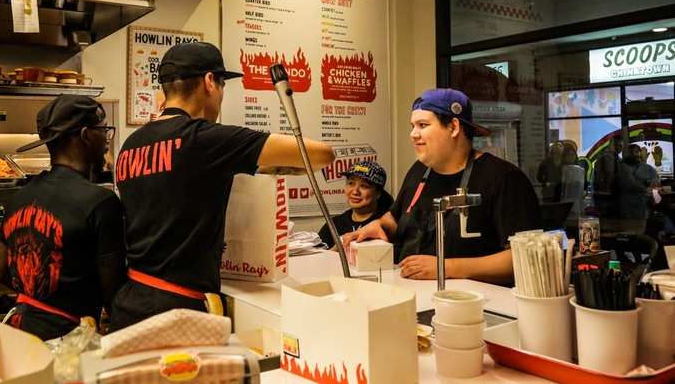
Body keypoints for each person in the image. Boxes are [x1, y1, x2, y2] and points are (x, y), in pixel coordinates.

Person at [111, 42, 334, 329]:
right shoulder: (204, 139)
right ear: (209, 82)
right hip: (176, 311)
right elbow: (321, 154)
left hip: (130, 302)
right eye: (222, 86)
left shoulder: (131, 145)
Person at [343, 89, 540, 285]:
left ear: (453, 127)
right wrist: (379, 225)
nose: (413, 134)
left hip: (474, 303)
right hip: (410, 291)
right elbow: (396, 217)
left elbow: (525, 257)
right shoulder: (419, 171)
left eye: (423, 125)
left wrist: (447, 268)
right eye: (412, 126)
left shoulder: (504, 178)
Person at [0, 96, 125, 340]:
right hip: (69, 339)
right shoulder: (101, 203)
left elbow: (1, 272)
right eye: (103, 131)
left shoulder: (18, 198)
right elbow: (113, 293)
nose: (107, 140)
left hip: (18, 333)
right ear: (86, 135)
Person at [318, 161, 394, 249]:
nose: (355, 192)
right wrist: (337, 249)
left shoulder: (388, 224)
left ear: (378, 193)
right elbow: (316, 258)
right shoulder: (334, 224)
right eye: (351, 183)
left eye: (364, 186)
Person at [619, 144, 659, 220]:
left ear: (640, 153)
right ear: (626, 154)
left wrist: (654, 193)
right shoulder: (622, 167)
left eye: (636, 152)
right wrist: (646, 187)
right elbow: (630, 184)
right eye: (631, 152)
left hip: (643, 204)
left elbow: (655, 183)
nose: (634, 154)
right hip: (627, 203)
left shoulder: (648, 168)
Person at [593, 135, 623, 216]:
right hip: (603, 194)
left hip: (615, 195)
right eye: (616, 145)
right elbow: (599, 176)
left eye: (620, 146)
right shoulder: (603, 158)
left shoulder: (620, 160)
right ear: (610, 145)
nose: (618, 148)